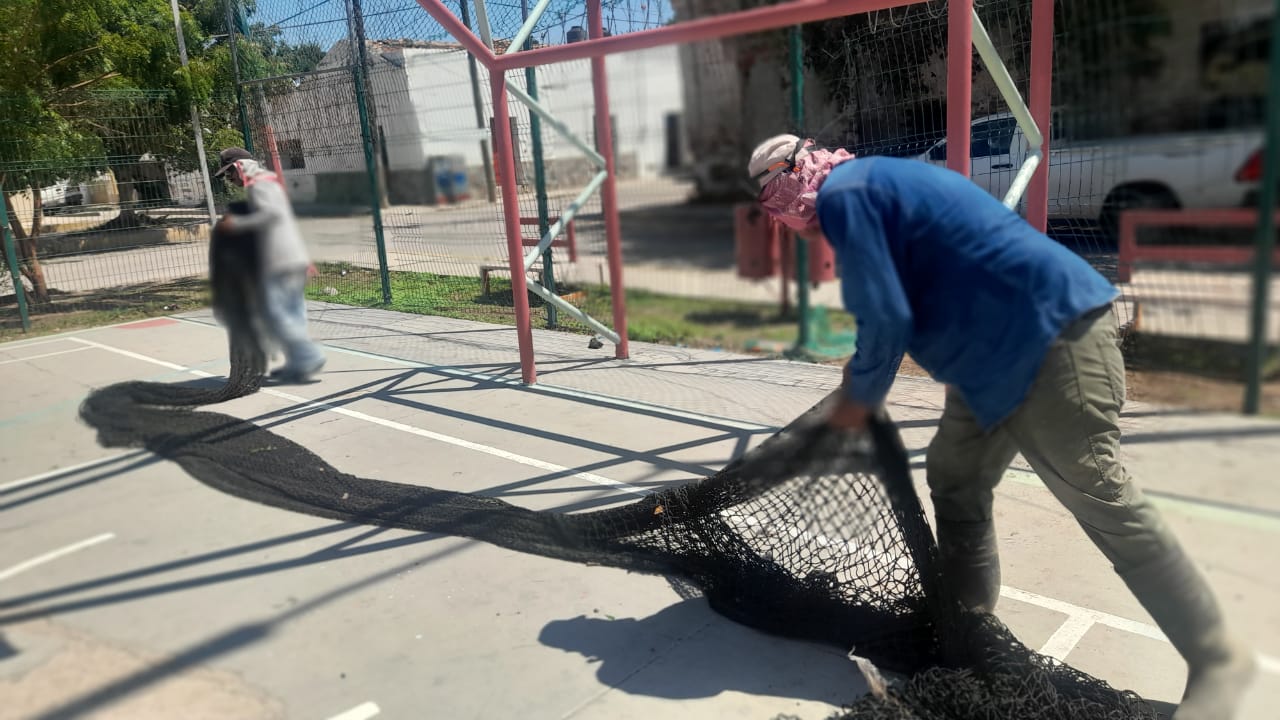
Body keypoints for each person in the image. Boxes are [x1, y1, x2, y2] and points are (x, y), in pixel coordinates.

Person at [748, 134, 1255, 719]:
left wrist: (857, 401)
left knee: (1099, 495)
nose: (791, 228)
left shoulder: (845, 195)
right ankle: (971, 633)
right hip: (992, 363)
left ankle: (1219, 659)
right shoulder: (874, 182)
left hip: (1052, 338)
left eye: (780, 212)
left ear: (790, 189)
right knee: (956, 475)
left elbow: (886, 315)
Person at [213, 147, 325, 382]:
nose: (229, 180)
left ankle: (308, 356)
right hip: (291, 258)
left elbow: (271, 215)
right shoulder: (269, 182)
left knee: (275, 313)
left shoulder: (259, 186)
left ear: (239, 167)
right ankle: (299, 363)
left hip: (280, 261)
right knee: (293, 312)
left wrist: (236, 225)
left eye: (229, 173)